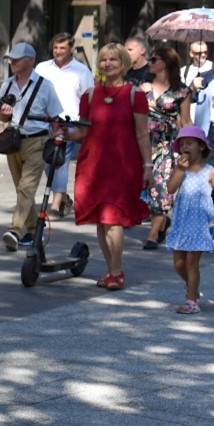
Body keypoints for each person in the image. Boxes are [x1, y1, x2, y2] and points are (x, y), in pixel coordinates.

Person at [66, 42, 152, 290]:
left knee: (113, 218)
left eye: (113, 59)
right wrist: (64, 132)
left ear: (124, 63)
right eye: (104, 59)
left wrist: (148, 166)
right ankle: (111, 271)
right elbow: (82, 132)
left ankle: (116, 272)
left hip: (123, 166)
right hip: (93, 166)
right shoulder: (90, 95)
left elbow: (142, 134)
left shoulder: (135, 95)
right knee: (101, 221)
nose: (108, 64)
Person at [0, 42, 65, 251]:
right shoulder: (7, 84)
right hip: (13, 141)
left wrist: (59, 140)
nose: (13, 63)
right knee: (22, 190)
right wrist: (4, 115)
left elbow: (55, 117)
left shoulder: (45, 85)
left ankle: (15, 230)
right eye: (11, 60)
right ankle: (34, 232)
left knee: (26, 188)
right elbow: (2, 116)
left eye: (17, 59)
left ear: (31, 61)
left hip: (38, 141)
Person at [34, 33, 95, 213]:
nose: (58, 51)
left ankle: (55, 205)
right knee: (48, 162)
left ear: (72, 49)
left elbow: (88, 97)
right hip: (45, 122)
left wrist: (84, 123)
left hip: (69, 123)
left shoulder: (82, 71)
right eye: (55, 48)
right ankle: (63, 197)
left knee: (59, 161)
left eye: (62, 48)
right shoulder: (42, 68)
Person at [142, 45, 191, 249]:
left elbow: (186, 121)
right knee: (144, 188)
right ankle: (162, 223)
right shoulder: (144, 86)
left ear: (166, 63)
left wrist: (189, 149)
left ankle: (153, 234)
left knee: (160, 188)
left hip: (166, 145)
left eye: (154, 59)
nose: (150, 63)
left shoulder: (182, 90)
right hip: (143, 141)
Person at [167, 126, 214, 313]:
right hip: (182, 222)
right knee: (178, 263)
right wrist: (179, 170)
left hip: (200, 223)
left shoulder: (212, 172)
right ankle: (193, 288)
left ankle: (191, 301)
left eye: (189, 143)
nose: (184, 147)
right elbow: (171, 189)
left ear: (201, 146)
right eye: (182, 144)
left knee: (191, 262)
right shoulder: (182, 169)